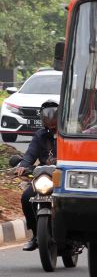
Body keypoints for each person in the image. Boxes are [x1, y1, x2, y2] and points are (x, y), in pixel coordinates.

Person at [17, 100, 58, 251]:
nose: (51, 118)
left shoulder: (67, 133)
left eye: (54, 114)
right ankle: (35, 235)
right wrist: (23, 165)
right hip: (44, 177)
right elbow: (30, 154)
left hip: (64, 177)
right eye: (47, 115)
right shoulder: (39, 136)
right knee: (26, 197)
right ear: (42, 118)